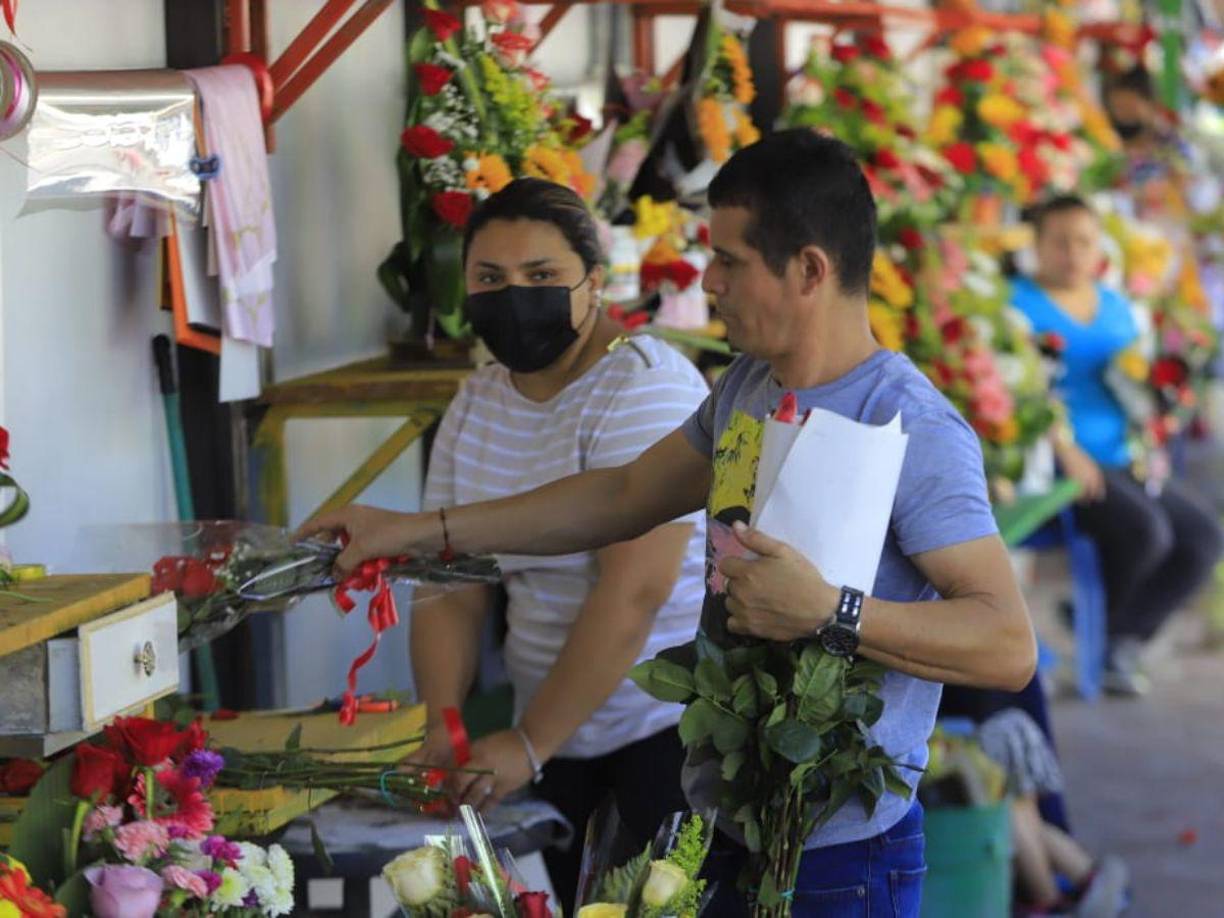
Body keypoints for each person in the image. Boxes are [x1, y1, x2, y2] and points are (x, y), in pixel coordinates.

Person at [301, 132, 1037, 917]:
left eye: (730, 261)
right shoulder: (748, 385)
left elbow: (1006, 644)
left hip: (839, 856)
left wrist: (830, 613)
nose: (708, 280)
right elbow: (619, 498)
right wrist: (410, 532)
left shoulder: (910, 423)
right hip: (720, 829)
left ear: (811, 271)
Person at [405, 179, 710, 910]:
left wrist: (531, 742)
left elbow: (634, 589)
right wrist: (442, 722)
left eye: (541, 277)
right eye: (490, 278)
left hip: (662, 732)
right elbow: (450, 582)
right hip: (544, 730)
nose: (515, 295)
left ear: (595, 283)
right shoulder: (478, 400)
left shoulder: (647, 388)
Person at [1012, 194, 1223, 695]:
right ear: (1037, 246)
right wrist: (1065, 451)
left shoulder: (1117, 306)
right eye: (1059, 241)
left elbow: (1143, 383)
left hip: (1125, 458)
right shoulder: (1014, 304)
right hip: (1061, 466)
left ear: (1099, 246)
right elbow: (1018, 393)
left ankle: (1115, 638)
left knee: (1203, 539)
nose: (1072, 252)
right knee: (1146, 531)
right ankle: (1103, 635)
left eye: (1083, 241)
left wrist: (1157, 420)